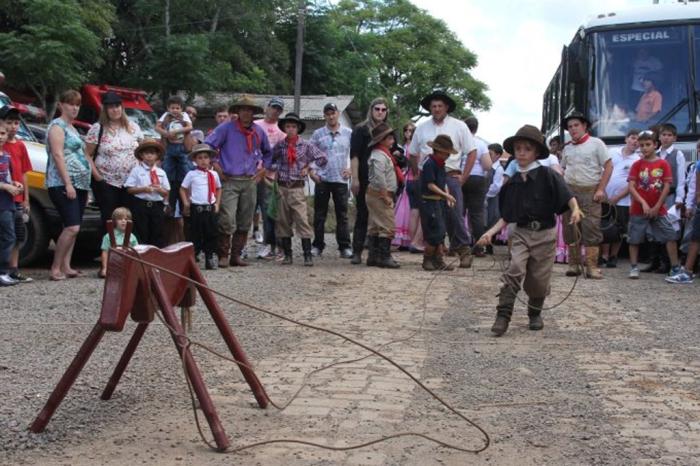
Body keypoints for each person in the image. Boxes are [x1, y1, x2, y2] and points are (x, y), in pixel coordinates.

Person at [476, 125, 582, 337]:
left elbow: (567, 195)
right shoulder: (512, 183)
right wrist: (490, 233)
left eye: (527, 148)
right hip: (521, 233)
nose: (522, 152)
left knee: (538, 280)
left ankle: (535, 313)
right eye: (518, 148)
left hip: (545, 234)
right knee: (514, 268)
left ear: (536, 152)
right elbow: (507, 216)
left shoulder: (547, 175)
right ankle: (503, 316)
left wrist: (576, 209)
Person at [409, 90, 477, 269]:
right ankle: (436, 256)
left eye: (440, 106)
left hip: (451, 174)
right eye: (433, 106)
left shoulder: (459, 126)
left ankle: (463, 249)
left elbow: (472, 152)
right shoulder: (422, 128)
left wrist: (464, 177)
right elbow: (413, 153)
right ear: (429, 108)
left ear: (447, 107)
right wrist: (417, 174)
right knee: (432, 217)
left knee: (455, 215)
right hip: (428, 176)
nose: (437, 109)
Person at [205, 95, 271, 267]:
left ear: (253, 113)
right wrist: (216, 166)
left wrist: (263, 170)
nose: (246, 113)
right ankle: (223, 255)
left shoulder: (258, 131)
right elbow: (208, 146)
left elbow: (268, 153)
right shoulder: (226, 129)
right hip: (229, 179)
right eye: (243, 109)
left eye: (249, 110)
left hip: (250, 180)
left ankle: (236, 255)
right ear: (237, 112)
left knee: (245, 218)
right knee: (227, 217)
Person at [46, 90, 95, 281]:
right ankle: (55, 267)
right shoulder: (57, 127)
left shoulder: (73, 128)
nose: (74, 108)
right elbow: (58, 155)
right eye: (71, 104)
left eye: (77, 104)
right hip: (62, 182)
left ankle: (66, 265)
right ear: (61, 105)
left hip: (81, 183)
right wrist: (67, 183)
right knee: (72, 227)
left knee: (73, 225)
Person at [269, 112, 327, 266]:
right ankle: (288, 255)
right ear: (284, 128)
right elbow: (269, 160)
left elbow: (322, 158)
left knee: (302, 220)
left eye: (293, 126)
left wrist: (309, 167)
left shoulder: (306, 145)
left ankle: (307, 254)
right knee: (282, 221)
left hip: (297, 188)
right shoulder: (280, 146)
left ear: (298, 128)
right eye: (288, 126)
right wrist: (277, 167)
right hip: (282, 187)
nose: (290, 129)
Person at [560, 110, 612, 279]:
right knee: (570, 228)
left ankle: (591, 266)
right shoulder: (566, 148)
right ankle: (574, 264)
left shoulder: (597, 144)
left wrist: (600, 189)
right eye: (570, 127)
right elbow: (563, 169)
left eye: (576, 125)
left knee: (591, 228)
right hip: (570, 192)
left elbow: (609, 166)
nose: (573, 129)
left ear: (584, 126)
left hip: (590, 192)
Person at [626, 130, 681, 279]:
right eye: (642, 145)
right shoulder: (637, 165)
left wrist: (657, 206)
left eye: (648, 144)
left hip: (659, 208)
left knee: (670, 235)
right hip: (638, 209)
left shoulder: (663, 164)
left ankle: (675, 267)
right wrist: (643, 202)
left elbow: (667, 186)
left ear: (655, 145)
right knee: (634, 238)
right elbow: (631, 187)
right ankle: (634, 266)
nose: (644, 148)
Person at [85, 92, 143, 229]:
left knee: (129, 219)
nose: (115, 109)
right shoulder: (97, 128)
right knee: (110, 219)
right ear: (105, 109)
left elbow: (143, 151)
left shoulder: (133, 127)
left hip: (131, 183)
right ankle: (109, 249)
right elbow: (87, 154)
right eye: (111, 107)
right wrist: (98, 178)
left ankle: (127, 248)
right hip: (108, 182)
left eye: (117, 106)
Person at [309, 103, 353, 258]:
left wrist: (352, 169)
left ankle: (344, 246)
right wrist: (311, 172)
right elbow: (309, 154)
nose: (331, 116)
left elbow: (355, 155)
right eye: (327, 114)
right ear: (324, 115)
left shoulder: (348, 133)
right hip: (322, 178)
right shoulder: (317, 134)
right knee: (320, 214)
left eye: (333, 113)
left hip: (341, 179)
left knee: (342, 214)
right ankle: (318, 245)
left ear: (338, 113)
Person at [349, 97, 390, 265]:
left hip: (382, 180)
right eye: (377, 109)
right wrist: (355, 179)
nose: (380, 112)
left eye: (383, 109)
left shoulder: (387, 131)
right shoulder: (361, 130)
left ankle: (375, 254)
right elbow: (354, 156)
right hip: (365, 178)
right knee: (362, 215)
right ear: (371, 110)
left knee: (380, 217)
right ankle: (357, 252)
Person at [643, 123, 686, 273]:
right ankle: (654, 260)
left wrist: (680, 198)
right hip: (653, 194)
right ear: (659, 137)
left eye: (669, 135)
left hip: (670, 195)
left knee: (667, 227)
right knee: (651, 228)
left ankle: (667, 262)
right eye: (664, 135)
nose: (666, 138)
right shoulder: (654, 153)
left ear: (674, 137)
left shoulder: (677, 154)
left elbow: (681, 178)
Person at [0, 106, 32, 283]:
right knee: (6, 234)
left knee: (17, 234)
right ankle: (3, 270)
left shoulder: (20, 145)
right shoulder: (3, 148)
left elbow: (25, 173)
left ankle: (13, 269)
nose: (13, 126)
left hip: (17, 197)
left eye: (16, 123)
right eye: (9, 122)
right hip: (4, 198)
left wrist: (26, 197)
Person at [599, 128, 639, 268]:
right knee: (604, 226)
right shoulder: (612, 152)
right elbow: (602, 171)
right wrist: (601, 190)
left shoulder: (637, 160)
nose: (635, 141)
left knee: (619, 229)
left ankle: (613, 256)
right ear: (626, 139)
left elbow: (632, 183)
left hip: (624, 200)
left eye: (638, 140)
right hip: (605, 197)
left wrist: (617, 197)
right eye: (633, 138)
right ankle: (604, 255)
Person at [180, 144, 222, 270]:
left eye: (206, 157)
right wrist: (186, 203)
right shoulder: (191, 174)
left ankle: (210, 257)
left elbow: (219, 188)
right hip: (197, 209)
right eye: (200, 158)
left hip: (210, 208)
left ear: (210, 159)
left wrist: (217, 203)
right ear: (195, 160)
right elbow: (182, 189)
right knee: (195, 234)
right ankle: (193, 258)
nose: (203, 160)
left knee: (212, 233)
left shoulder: (214, 174)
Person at [419, 135, 457, 271]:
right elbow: (430, 185)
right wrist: (446, 195)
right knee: (433, 231)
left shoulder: (441, 164)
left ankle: (438, 259)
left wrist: (447, 196)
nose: (447, 156)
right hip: (429, 201)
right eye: (446, 153)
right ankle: (428, 259)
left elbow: (442, 182)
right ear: (438, 151)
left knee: (441, 231)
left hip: (438, 201)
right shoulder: (430, 163)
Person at [254, 97, 286, 258]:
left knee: (268, 212)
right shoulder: (255, 125)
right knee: (246, 211)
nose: (275, 111)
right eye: (273, 107)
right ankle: (241, 247)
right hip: (250, 174)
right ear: (267, 107)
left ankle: (270, 244)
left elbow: (280, 156)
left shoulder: (281, 131)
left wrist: (269, 171)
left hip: (269, 177)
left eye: (279, 109)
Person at [365, 122, 401, 269]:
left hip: (374, 194)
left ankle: (373, 257)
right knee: (387, 225)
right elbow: (380, 177)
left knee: (375, 225)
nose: (392, 141)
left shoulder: (382, 154)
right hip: (379, 195)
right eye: (390, 138)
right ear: (382, 140)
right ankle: (384, 257)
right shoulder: (380, 156)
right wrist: (385, 195)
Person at [124, 139, 170, 247]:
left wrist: (159, 190)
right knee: (141, 231)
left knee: (157, 231)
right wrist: (143, 189)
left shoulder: (161, 172)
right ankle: (141, 258)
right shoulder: (136, 170)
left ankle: (156, 257)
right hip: (141, 204)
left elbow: (166, 192)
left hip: (156, 205)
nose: (149, 156)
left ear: (157, 155)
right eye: (146, 153)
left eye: (152, 153)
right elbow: (129, 189)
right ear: (141, 155)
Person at [667, 151, 700, 284]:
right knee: (695, 238)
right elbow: (697, 188)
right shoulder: (698, 165)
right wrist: (692, 204)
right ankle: (687, 272)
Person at [462, 117, 493, 257]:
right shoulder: (480, 144)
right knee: (477, 214)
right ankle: (479, 247)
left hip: (460, 177)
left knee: (458, 212)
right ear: (476, 128)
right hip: (477, 178)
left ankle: (458, 244)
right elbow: (488, 165)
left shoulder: (459, 142)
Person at [156, 95, 192, 214]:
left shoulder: (185, 116)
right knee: (167, 168)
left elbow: (189, 127)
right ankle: (168, 188)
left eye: (177, 108)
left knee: (184, 167)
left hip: (181, 146)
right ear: (168, 108)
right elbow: (157, 127)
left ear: (181, 108)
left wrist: (177, 131)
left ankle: (187, 187)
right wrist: (166, 133)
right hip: (170, 146)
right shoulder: (165, 116)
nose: (175, 110)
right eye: (172, 108)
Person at [0, 120, 22, 286]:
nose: (1, 137)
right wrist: (6, 186)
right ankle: (1, 272)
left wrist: (15, 184)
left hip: (8, 202)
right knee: (8, 236)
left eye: (2, 134)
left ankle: (4, 271)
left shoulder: (5, 156)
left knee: (10, 236)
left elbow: (7, 177)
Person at [98, 207, 138, 279]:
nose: (123, 221)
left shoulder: (132, 237)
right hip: (113, 264)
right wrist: (105, 268)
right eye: (120, 219)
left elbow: (137, 253)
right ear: (114, 221)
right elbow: (105, 252)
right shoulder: (108, 236)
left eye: (126, 219)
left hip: (127, 264)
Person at [485, 143, 505, 233]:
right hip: (486, 197)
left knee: (491, 219)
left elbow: (496, 187)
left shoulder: (499, 169)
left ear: (498, 155)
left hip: (492, 199)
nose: (488, 156)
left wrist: (485, 195)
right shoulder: (487, 166)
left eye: (490, 154)